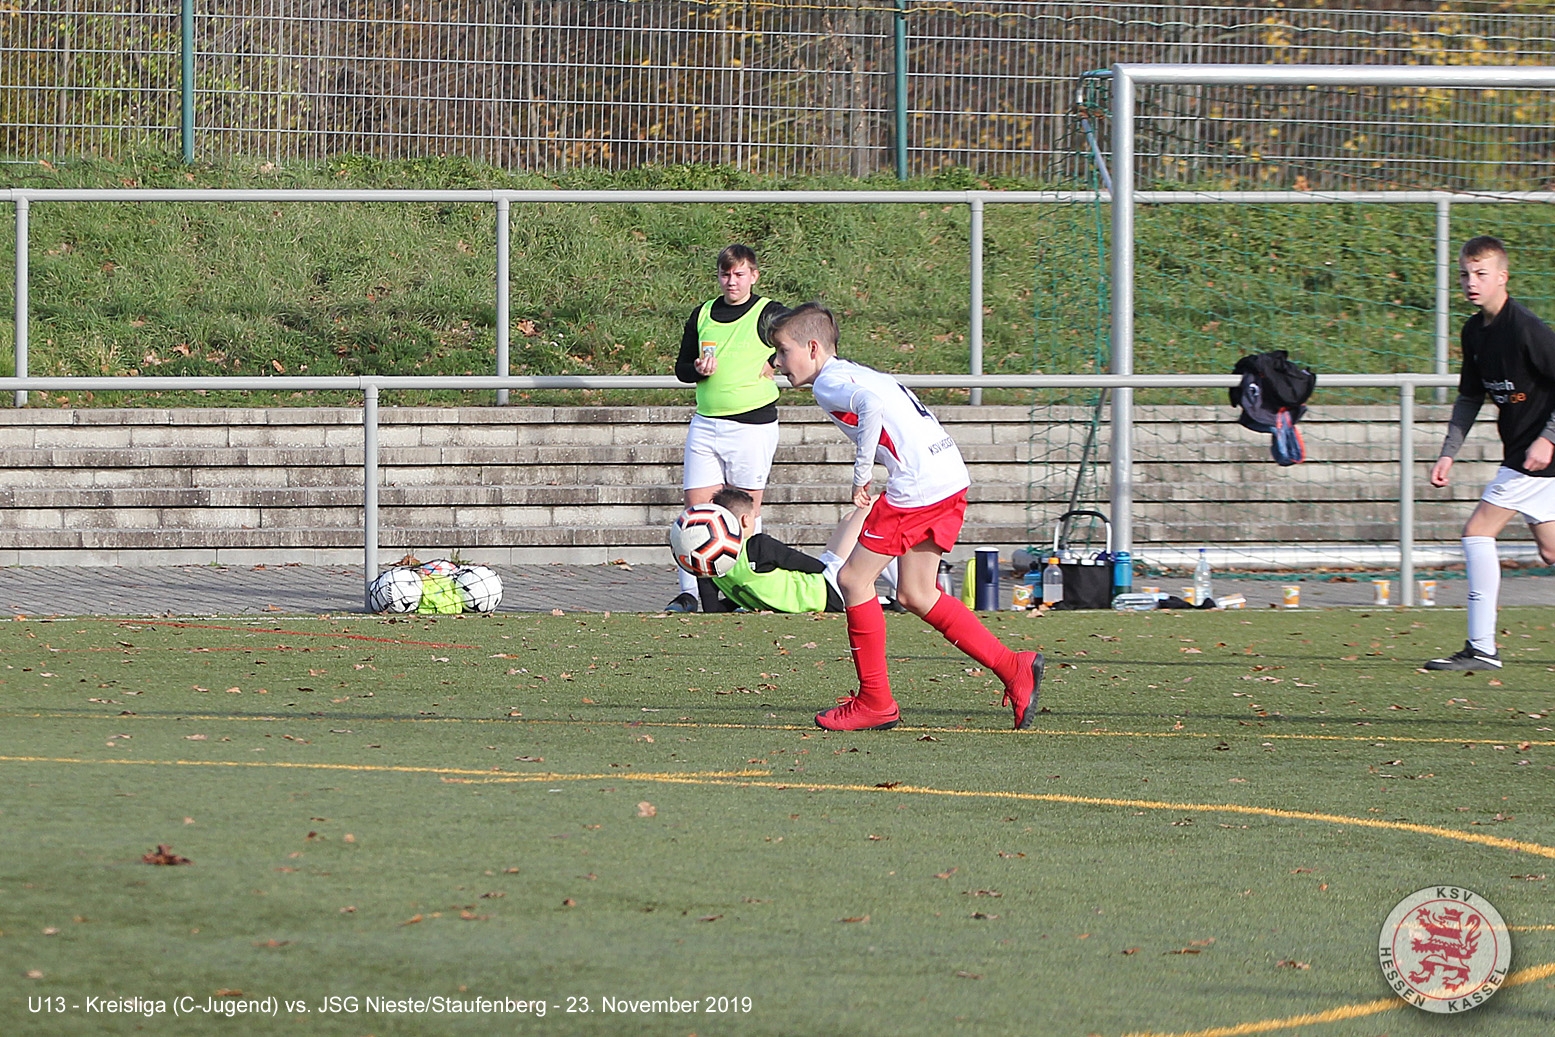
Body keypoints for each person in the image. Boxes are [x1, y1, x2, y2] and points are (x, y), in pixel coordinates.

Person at [768, 302, 1043, 731]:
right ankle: (1014, 666)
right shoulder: (854, 371)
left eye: (784, 351)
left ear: (813, 348)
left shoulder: (829, 384)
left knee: (852, 580)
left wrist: (861, 475)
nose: (778, 362)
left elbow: (870, 406)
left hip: (918, 485)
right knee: (916, 593)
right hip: (948, 473)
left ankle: (875, 702)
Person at [1425, 235, 1555, 671]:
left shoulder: (1526, 329)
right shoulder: (1473, 331)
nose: (1471, 282)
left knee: (1476, 532)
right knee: (1552, 552)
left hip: (1538, 456)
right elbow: (1469, 397)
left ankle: (1481, 647)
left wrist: (1548, 437)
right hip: (1524, 453)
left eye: (1481, 273)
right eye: (1465, 274)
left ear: (1503, 276)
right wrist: (1448, 453)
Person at [665, 245, 787, 613]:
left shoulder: (768, 312)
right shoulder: (702, 313)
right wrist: (696, 369)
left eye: (739, 274)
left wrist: (776, 360)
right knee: (696, 510)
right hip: (706, 423)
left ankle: (746, 590)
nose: (731, 281)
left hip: (752, 426)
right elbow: (681, 368)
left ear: (754, 276)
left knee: (745, 513)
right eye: (725, 274)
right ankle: (691, 594)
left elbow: (805, 336)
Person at [687, 487, 856, 613]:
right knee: (861, 512)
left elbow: (713, 609)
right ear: (745, 520)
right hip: (828, 589)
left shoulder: (708, 564)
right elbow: (814, 566)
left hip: (825, 596)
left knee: (850, 519)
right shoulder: (758, 546)